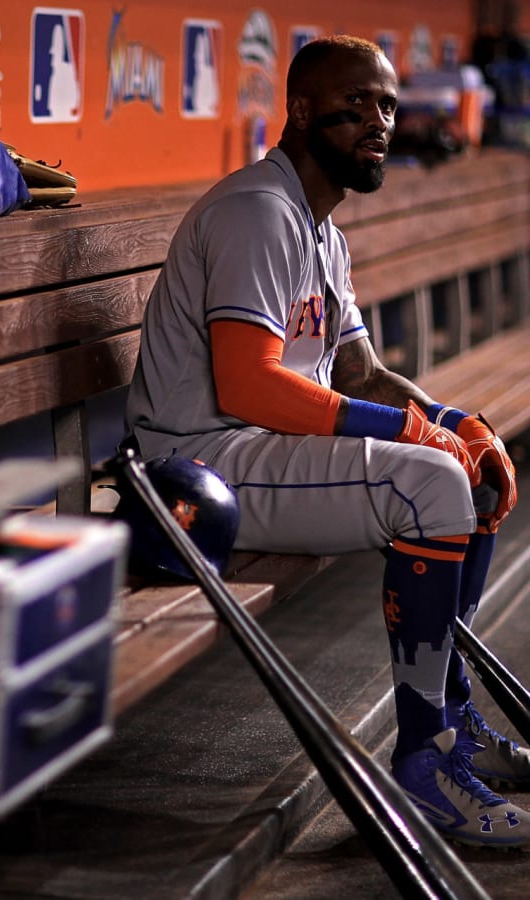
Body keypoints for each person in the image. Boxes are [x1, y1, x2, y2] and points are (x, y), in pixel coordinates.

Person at [123, 34, 525, 849]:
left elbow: (365, 373)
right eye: (358, 104)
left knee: (465, 472)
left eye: (387, 104)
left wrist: (455, 424)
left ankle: (450, 724)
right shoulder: (256, 213)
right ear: (301, 111)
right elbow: (249, 386)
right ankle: (425, 766)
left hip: (255, 452)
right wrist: (413, 436)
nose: (380, 120)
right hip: (199, 472)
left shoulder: (322, 232)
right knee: (430, 485)